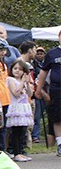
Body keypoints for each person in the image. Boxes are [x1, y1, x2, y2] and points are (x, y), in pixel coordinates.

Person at [35, 28, 61, 157]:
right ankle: (60, 144)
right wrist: (39, 89)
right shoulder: (52, 54)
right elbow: (43, 72)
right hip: (56, 89)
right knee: (57, 117)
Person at [6, 60, 34, 162]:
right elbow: (16, 93)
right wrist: (22, 82)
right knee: (16, 132)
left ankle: (21, 152)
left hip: (24, 107)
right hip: (16, 107)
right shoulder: (10, 80)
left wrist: (27, 82)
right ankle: (16, 152)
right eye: (15, 68)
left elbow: (30, 94)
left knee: (23, 131)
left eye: (20, 69)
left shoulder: (24, 81)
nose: (17, 71)